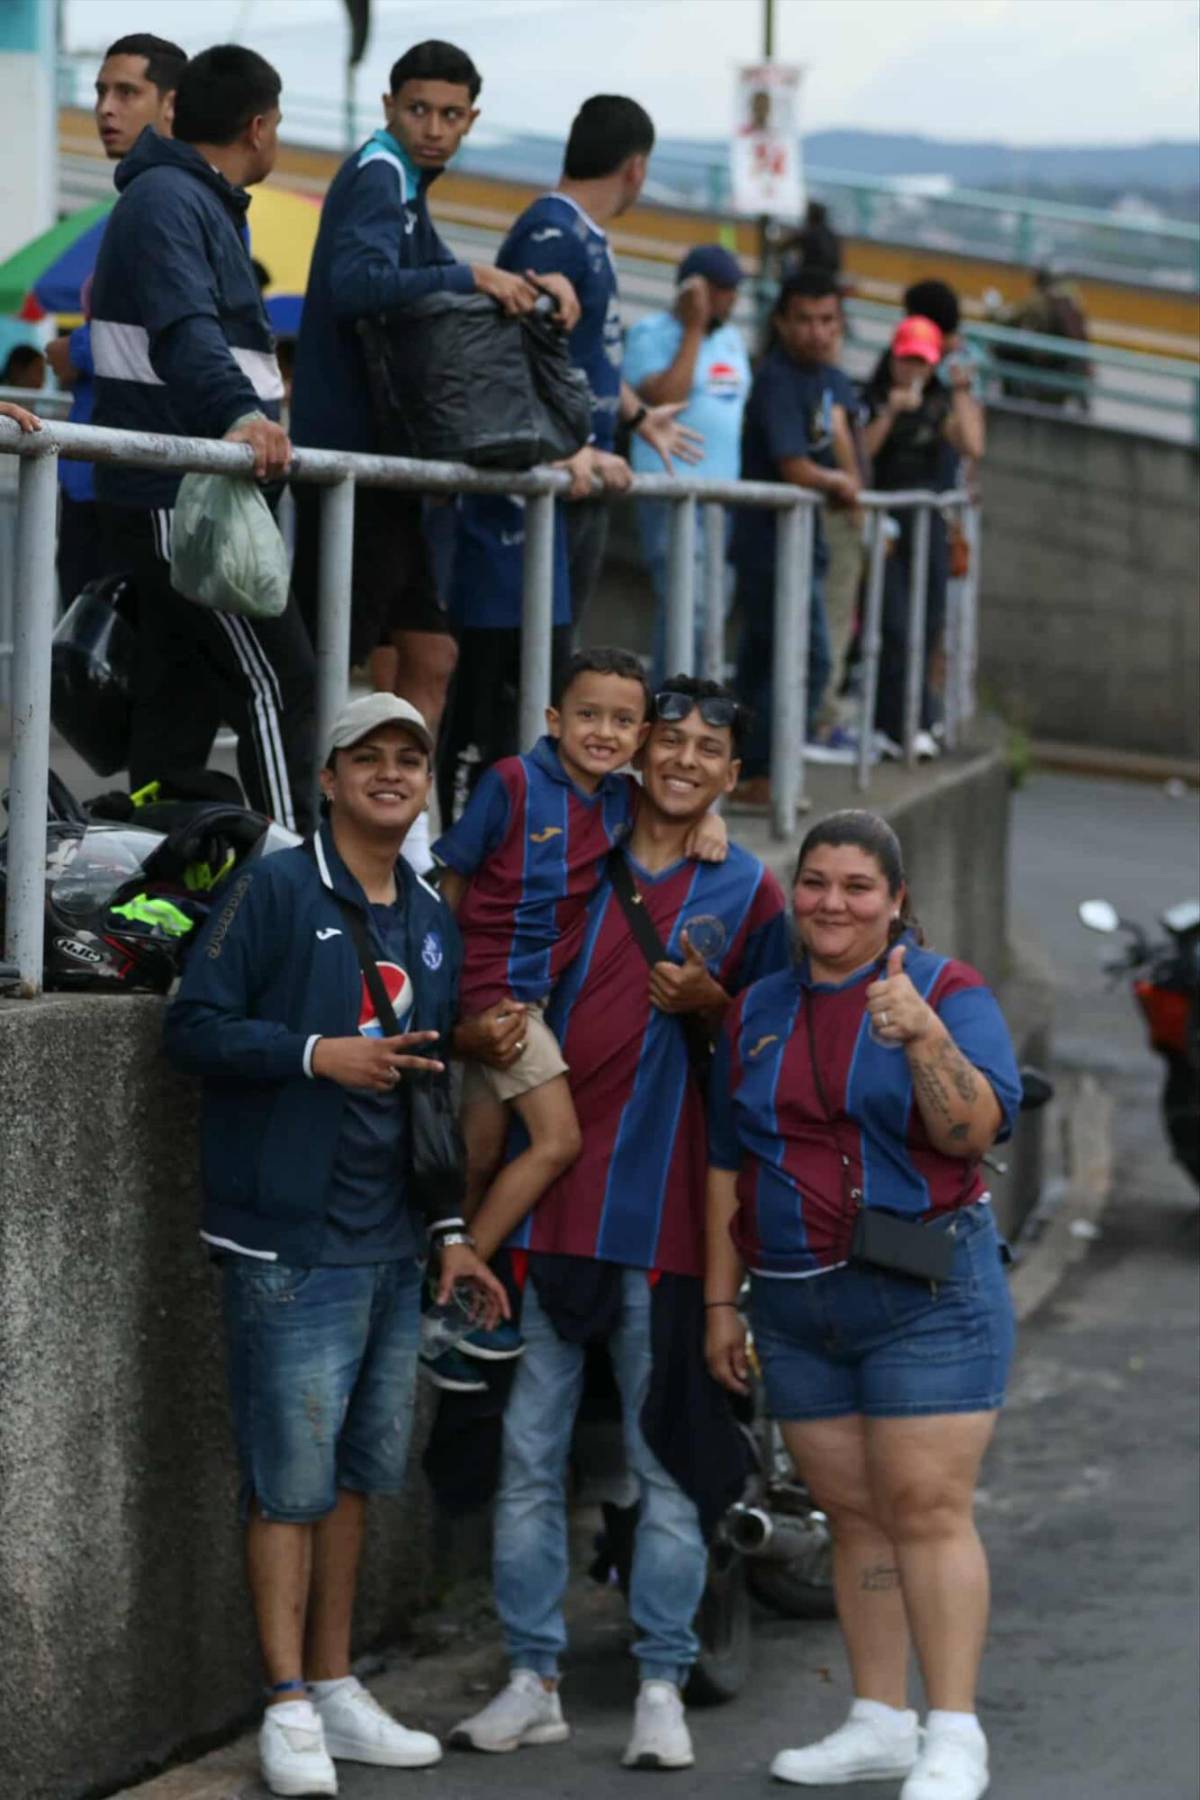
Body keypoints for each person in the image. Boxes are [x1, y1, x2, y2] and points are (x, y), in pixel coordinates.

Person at [164, 692, 509, 1799]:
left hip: (390, 1243)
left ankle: (336, 1681)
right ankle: (285, 1704)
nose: (395, 773)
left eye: (413, 758)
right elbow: (193, 1027)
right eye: (371, 756)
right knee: (289, 1484)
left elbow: (429, 1094)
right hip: (289, 1243)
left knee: (356, 1478)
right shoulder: (271, 888)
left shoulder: (427, 916)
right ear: (328, 777)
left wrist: (451, 1229)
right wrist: (317, 1054)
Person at [449, 676, 789, 1771]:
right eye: (670, 739)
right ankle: (531, 1678)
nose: (686, 760)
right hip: (545, 1218)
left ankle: (660, 1682)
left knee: (669, 1470)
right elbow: (477, 916)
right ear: (638, 749)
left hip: (676, 1228)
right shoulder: (575, 853)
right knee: (527, 1457)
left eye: (711, 750)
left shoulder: (753, 893)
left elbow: (792, 1057)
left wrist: (719, 1009)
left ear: (736, 776)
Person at [705, 809, 1021, 1800]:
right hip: (798, 1304)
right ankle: (881, 1718)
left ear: (896, 904)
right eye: (815, 882)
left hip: (928, 1293)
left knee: (925, 1508)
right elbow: (727, 1161)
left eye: (856, 887)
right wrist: (723, 1306)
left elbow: (971, 1131)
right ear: (793, 893)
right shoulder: (757, 1007)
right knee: (853, 1515)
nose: (832, 902)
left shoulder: (945, 992)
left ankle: (954, 1730)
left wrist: (923, 1038)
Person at [430, 648, 726, 1380]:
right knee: (557, 1142)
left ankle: (436, 1277)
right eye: (588, 715)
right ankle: (457, 1281)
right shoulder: (513, 782)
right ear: (555, 718)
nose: (604, 732)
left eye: (624, 721)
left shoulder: (621, 802)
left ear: (641, 736)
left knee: (483, 1148)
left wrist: (714, 815)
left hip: (530, 1002)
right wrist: (445, 997)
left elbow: (684, 799)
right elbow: (452, 882)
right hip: (492, 996)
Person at [290, 41, 549, 872]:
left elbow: (419, 278)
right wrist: (471, 276)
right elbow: (355, 282)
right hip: (354, 462)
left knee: (429, 659)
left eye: (450, 115)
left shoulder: (407, 180)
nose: (433, 128)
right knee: (331, 668)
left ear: (472, 119)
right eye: (418, 111)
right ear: (390, 108)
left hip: (391, 468)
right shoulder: (380, 172)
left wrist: (517, 281)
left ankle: (405, 847)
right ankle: (317, 841)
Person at [90, 44, 315, 832]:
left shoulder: (187, 200)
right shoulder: (169, 201)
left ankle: (161, 903)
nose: (106, 106)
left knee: (175, 718)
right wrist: (240, 417)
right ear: (259, 127)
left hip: (182, 490)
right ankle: (310, 893)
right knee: (279, 685)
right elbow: (186, 332)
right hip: (180, 493)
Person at [482, 94, 702, 635]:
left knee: (555, 651)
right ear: (637, 167)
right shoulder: (553, 233)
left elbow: (580, 352)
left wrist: (635, 417)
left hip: (584, 471)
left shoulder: (582, 233)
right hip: (550, 477)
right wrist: (571, 447)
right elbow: (513, 353)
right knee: (526, 658)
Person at [46, 34, 188, 607]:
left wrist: (72, 354)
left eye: (128, 92)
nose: (106, 107)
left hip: (134, 482)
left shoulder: (173, 200)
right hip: (94, 473)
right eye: (101, 90)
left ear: (172, 105)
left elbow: (173, 325)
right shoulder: (136, 197)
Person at [730, 268, 862, 806]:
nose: (817, 331)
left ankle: (747, 770)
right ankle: (763, 773)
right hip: (769, 546)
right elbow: (793, 463)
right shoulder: (778, 378)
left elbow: (847, 446)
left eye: (828, 320)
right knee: (807, 661)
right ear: (782, 322)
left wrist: (849, 483)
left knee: (763, 664)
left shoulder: (826, 379)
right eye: (804, 320)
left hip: (805, 544)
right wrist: (838, 482)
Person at [624, 244, 751, 681]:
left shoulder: (732, 339)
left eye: (734, 290)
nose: (731, 299)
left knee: (714, 606)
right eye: (720, 290)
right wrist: (693, 328)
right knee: (687, 604)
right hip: (671, 488)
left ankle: (695, 702)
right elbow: (664, 397)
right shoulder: (650, 333)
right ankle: (671, 703)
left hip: (720, 497)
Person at [860, 315, 984, 757]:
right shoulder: (872, 399)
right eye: (908, 359)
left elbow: (972, 444)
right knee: (891, 624)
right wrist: (892, 411)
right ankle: (887, 723)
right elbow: (861, 456)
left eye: (923, 362)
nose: (915, 370)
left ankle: (918, 720)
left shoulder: (941, 406)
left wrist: (963, 390)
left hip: (928, 526)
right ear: (893, 356)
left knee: (927, 624)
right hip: (885, 524)